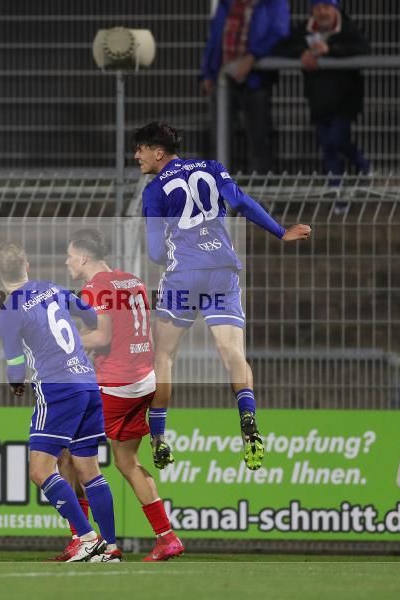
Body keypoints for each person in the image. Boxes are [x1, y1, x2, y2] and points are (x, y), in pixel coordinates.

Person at [133, 122, 311, 471]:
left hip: (184, 275)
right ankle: (248, 419)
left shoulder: (154, 191)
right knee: (233, 353)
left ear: (158, 153)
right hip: (222, 269)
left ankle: (158, 437)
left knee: (165, 355)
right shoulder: (213, 168)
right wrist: (280, 231)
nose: (136, 155)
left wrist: (172, 251)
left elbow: (155, 251)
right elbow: (239, 202)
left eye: (140, 148)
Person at [47, 229, 184, 562]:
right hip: (144, 382)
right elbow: (129, 329)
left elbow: (103, 336)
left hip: (116, 386)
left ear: (82, 258)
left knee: (68, 457)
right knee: (127, 462)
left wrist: (64, 343)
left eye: (69, 255)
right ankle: (167, 537)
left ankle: (88, 540)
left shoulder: (95, 288)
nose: (67, 261)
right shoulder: (132, 281)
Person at [0, 241, 119, 563]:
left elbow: (15, 363)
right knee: (90, 470)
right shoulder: (51, 288)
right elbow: (89, 315)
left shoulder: (10, 309)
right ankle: (111, 547)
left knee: (40, 470)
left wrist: (16, 385)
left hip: (57, 387)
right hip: (88, 383)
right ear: (27, 266)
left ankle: (87, 539)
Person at [275, 0, 370, 179]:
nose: (322, 12)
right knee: (328, 148)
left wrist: (330, 49)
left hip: (345, 101)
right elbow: (283, 48)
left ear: (334, 9)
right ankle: (338, 196)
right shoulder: (304, 29)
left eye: (326, 7)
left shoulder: (348, 27)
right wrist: (302, 53)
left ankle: (362, 166)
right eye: (317, 8)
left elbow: (363, 49)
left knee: (338, 141)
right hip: (318, 101)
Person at [200, 0, 290, 174]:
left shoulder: (273, 4)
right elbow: (214, 37)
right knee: (217, 139)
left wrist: (252, 57)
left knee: (258, 140)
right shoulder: (226, 4)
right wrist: (208, 72)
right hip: (223, 79)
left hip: (256, 80)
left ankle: (259, 194)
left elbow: (279, 34)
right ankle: (216, 193)